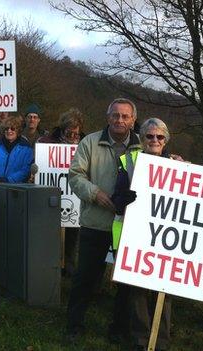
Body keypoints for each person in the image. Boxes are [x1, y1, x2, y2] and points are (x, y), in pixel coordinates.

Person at [65, 98, 142, 341]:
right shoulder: (90, 142)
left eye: (125, 116)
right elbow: (75, 175)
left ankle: (118, 329)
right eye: (115, 115)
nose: (120, 120)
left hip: (129, 226)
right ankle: (74, 325)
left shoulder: (143, 146)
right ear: (108, 117)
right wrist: (95, 194)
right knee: (85, 277)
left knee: (126, 282)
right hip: (95, 222)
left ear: (133, 120)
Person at [111, 118, 182, 350]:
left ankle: (161, 341)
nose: (154, 140)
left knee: (164, 290)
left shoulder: (177, 165)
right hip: (135, 234)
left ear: (166, 140)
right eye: (149, 136)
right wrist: (126, 200)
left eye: (159, 137)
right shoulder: (128, 161)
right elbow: (117, 199)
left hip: (166, 238)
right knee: (137, 290)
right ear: (142, 139)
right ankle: (142, 340)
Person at [37, 108, 85, 276]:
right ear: (63, 127)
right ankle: (49, 269)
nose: (73, 134)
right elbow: (38, 164)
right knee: (50, 235)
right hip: (50, 197)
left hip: (75, 199)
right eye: (69, 130)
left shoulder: (85, 144)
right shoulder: (46, 142)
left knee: (72, 236)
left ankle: (69, 268)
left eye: (76, 130)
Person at [0, 115, 34, 183]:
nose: (9, 131)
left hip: (17, 188)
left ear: (18, 130)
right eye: (6, 128)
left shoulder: (26, 148)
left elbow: (26, 169)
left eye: (12, 128)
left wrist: (10, 180)